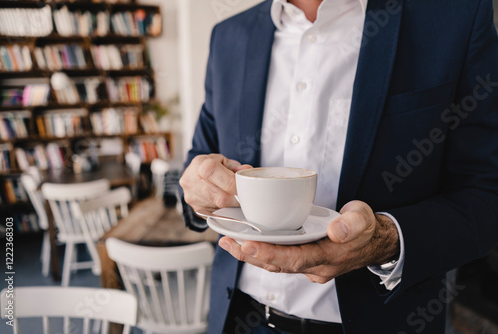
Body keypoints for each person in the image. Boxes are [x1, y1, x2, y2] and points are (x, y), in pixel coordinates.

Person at [179, 0, 498, 333]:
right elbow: (198, 162)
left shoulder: (455, 20)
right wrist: (198, 187)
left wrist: (385, 241)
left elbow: (487, 191)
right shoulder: (228, 36)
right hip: (238, 318)